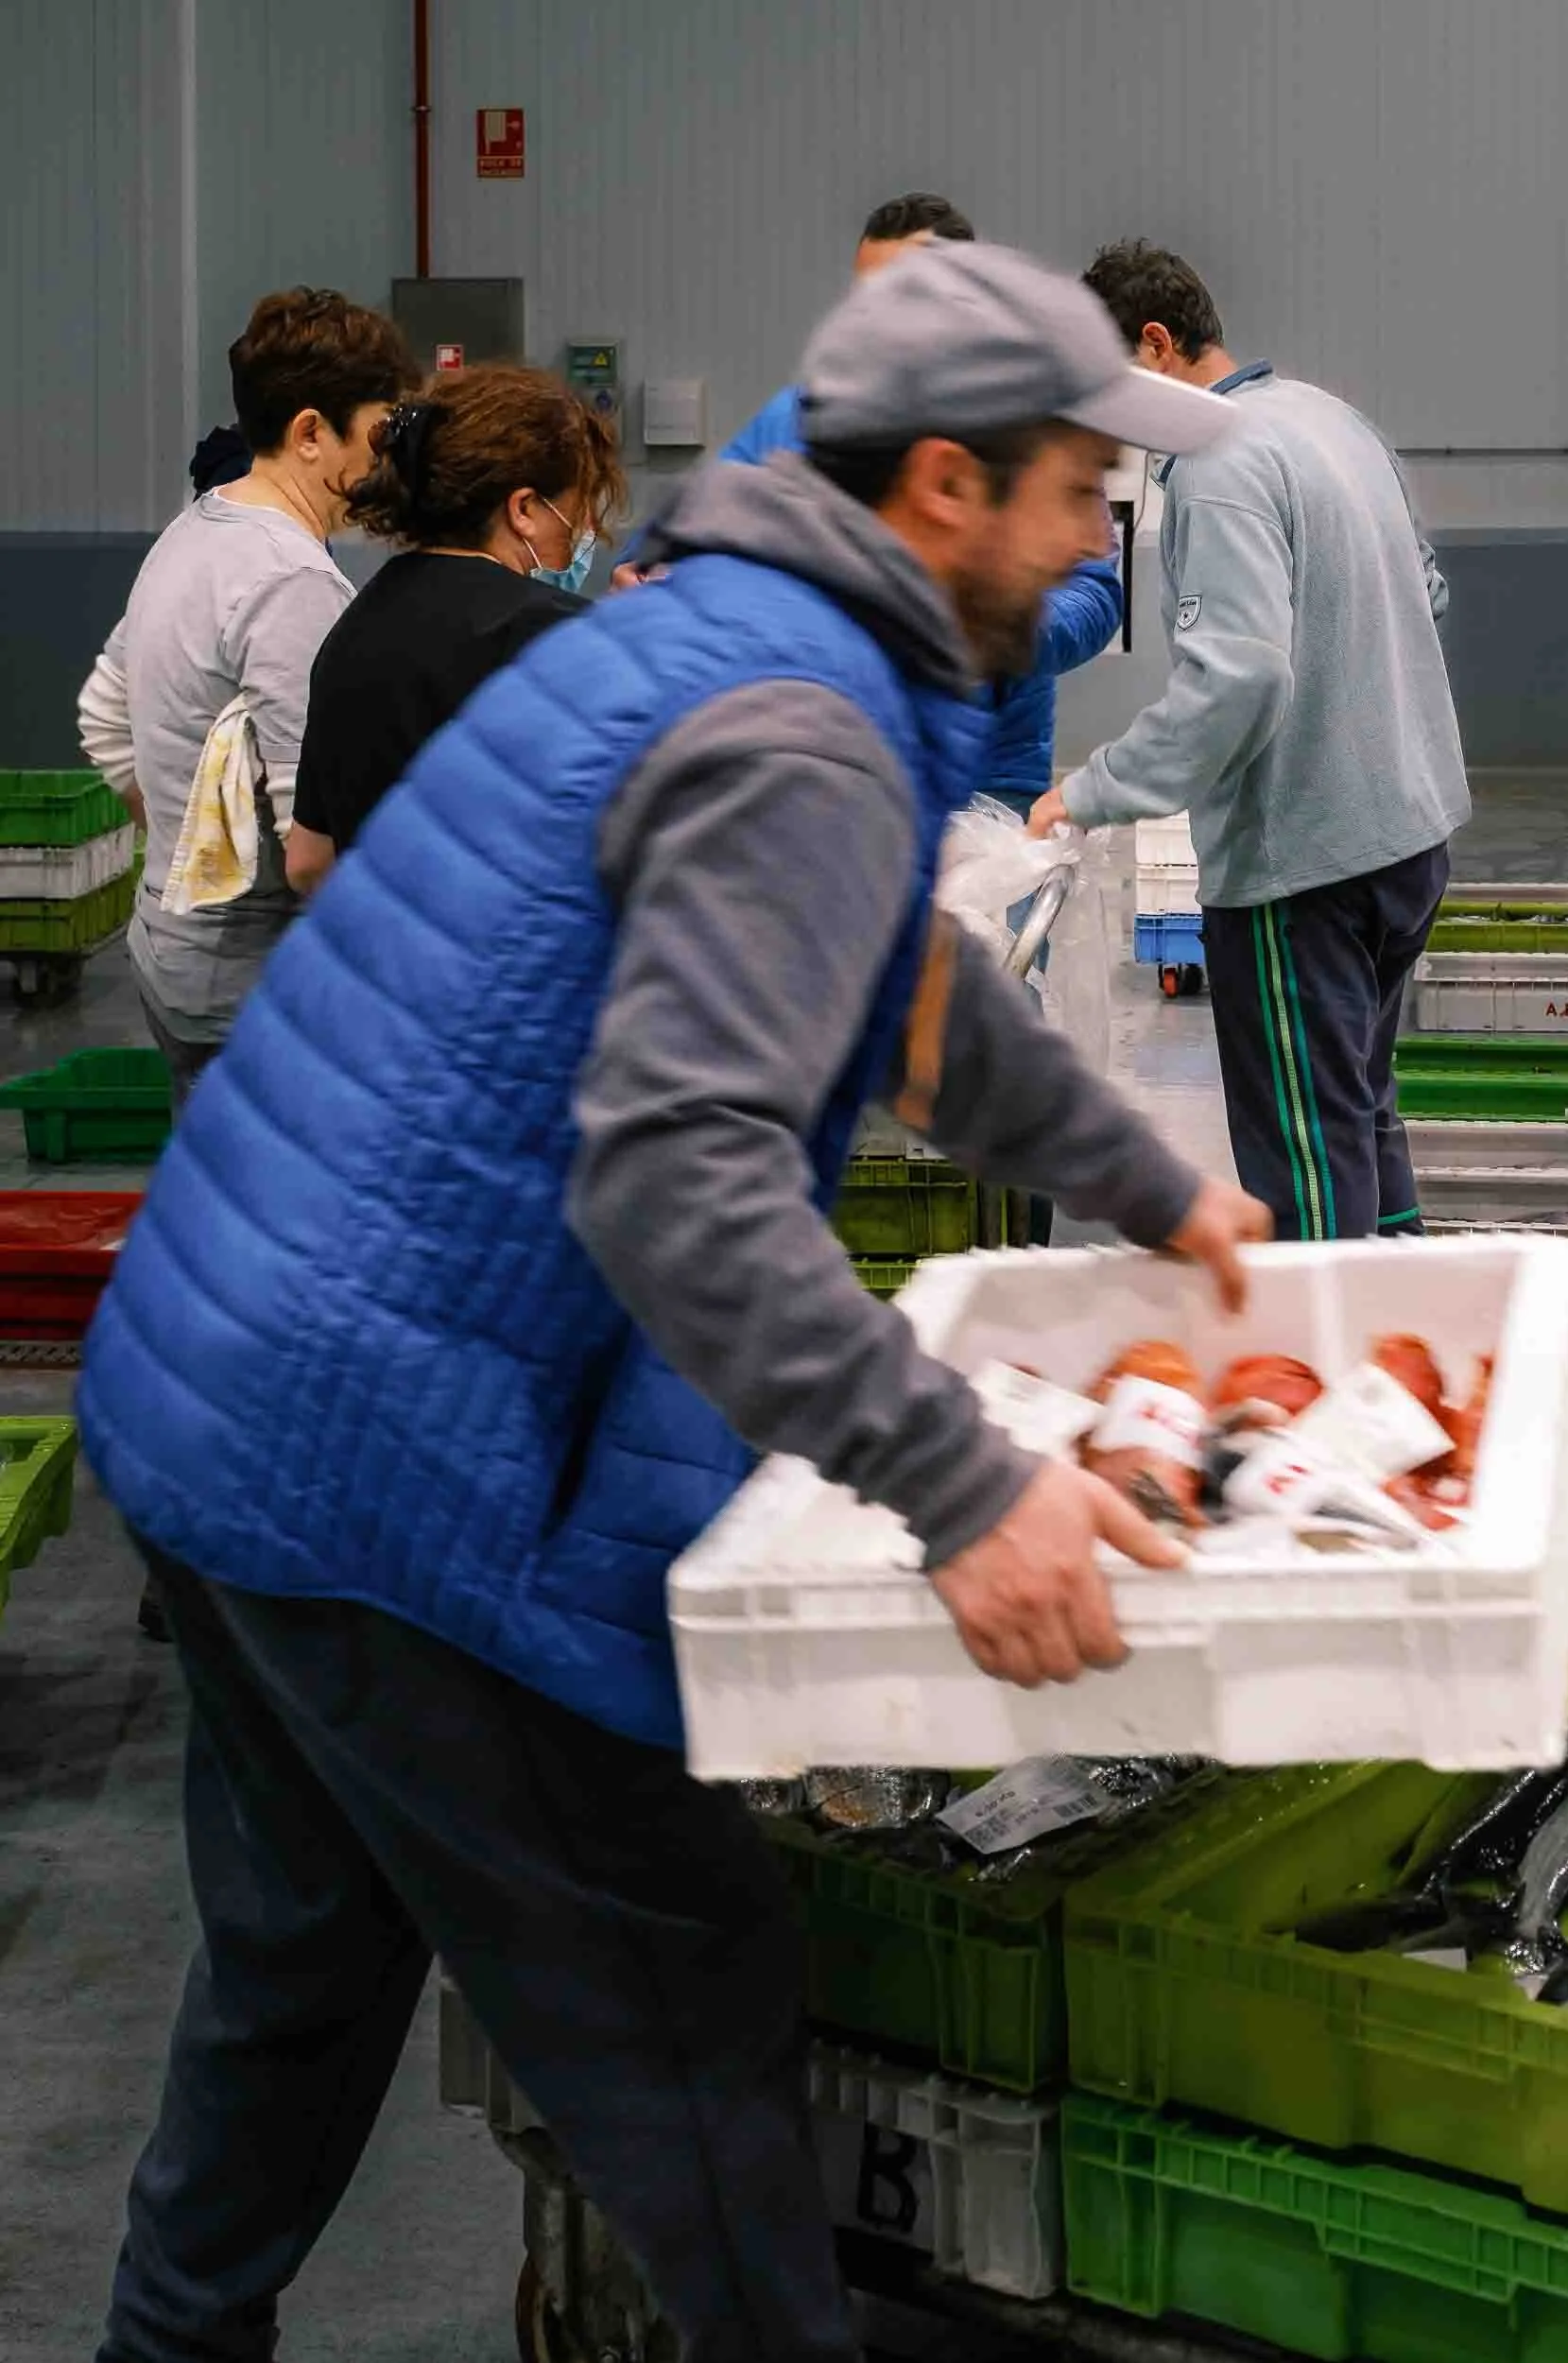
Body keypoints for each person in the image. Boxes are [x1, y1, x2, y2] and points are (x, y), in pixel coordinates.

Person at [78, 243, 1257, 2363]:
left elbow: (896, 989)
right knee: (678, 1981)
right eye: (1079, 487)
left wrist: (1150, 1179)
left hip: (213, 1390)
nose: (1099, 536)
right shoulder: (798, 715)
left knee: (301, 1969)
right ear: (944, 492)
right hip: (391, 1461)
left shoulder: (746, 634)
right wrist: (969, 1489)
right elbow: (678, 1177)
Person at [1031, 240, 1470, 1243]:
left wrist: (1090, 790)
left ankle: (1339, 1366)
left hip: (1301, 872)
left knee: (1308, 1172)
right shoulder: (1329, 420)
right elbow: (1425, 593)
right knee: (1354, 1107)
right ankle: (1403, 1306)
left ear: (1153, 342)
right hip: (1406, 833)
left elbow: (1236, 678)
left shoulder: (1216, 465)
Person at [617, 191, 1124, 819]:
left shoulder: (1030, 426)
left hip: (985, 782)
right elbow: (680, 544)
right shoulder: (803, 420)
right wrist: (656, 583)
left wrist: (971, 625)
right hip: (829, 763)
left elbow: (1096, 594)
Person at [76, 286, 417, 1104]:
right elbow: (313, 857)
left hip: (169, 954)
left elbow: (101, 714)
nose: (386, 459)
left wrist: (177, 860)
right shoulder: (292, 584)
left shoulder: (193, 531)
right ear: (310, 432)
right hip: (253, 991)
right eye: (379, 432)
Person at [285, 364, 625, 893]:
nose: (583, 532)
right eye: (577, 509)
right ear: (526, 509)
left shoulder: (351, 630)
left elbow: (307, 860)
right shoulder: (556, 639)